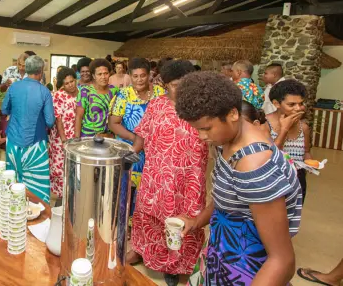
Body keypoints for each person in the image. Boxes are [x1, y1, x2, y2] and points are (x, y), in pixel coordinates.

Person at [175, 71, 302, 286]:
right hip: (223, 254)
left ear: (233, 114)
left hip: (246, 269)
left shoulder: (253, 165)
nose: (201, 136)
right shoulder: (230, 139)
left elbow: (282, 260)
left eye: (206, 128)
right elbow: (228, 195)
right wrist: (197, 221)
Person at [129, 61, 207, 286]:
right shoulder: (156, 105)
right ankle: (143, 251)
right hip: (157, 175)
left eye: (185, 83)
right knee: (151, 216)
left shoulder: (201, 107)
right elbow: (141, 136)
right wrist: (127, 155)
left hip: (188, 179)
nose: (181, 88)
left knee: (183, 221)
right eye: (175, 84)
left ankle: (175, 265)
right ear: (164, 84)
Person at [109, 58, 166, 219]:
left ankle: (144, 224)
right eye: (135, 76)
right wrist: (137, 138)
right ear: (130, 76)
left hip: (154, 151)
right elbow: (114, 123)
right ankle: (125, 223)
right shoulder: (124, 95)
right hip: (130, 149)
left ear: (149, 75)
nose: (139, 80)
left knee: (150, 189)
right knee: (127, 189)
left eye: (143, 75)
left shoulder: (160, 94)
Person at [2, 55, 54, 202]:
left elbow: (5, 110)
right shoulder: (44, 92)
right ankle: (38, 213)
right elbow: (50, 121)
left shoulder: (14, 87)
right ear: (41, 71)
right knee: (36, 185)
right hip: (35, 145)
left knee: (13, 179)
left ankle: (12, 209)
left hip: (12, 141)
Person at [263, 79, 311, 203]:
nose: (299, 108)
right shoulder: (265, 124)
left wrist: (309, 162)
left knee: (292, 218)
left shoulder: (303, 127)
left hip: (297, 180)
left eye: (301, 103)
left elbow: (306, 152)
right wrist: (284, 129)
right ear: (276, 103)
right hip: (272, 179)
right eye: (291, 105)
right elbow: (269, 157)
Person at [49, 67, 78, 199]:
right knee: (60, 169)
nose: (70, 85)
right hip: (62, 137)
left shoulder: (82, 93)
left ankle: (73, 196)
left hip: (78, 136)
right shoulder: (59, 95)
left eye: (72, 81)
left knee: (75, 167)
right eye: (66, 83)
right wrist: (64, 140)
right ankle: (61, 197)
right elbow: (58, 119)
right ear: (62, 84)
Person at [75, 59, 118, 138]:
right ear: (94, 76)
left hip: (108, 137)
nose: (103, 77)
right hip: (88, 137)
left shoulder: (115, 91)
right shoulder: (85, 92)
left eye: (106, 73)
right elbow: (78, 117)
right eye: (99, 74)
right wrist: (77, 140)